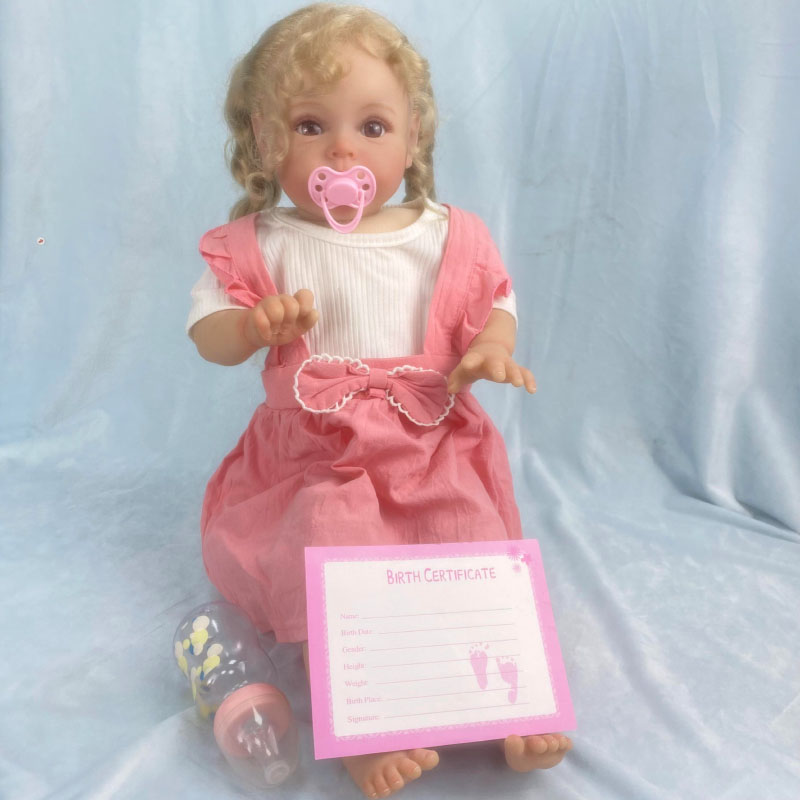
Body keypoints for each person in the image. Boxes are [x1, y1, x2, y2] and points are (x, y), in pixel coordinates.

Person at [187, 4, 571, 797]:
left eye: (371, 126)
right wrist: (251, 326)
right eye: (310, 126)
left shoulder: (442, 233)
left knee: (471, 534)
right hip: (319, 457)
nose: (342, 151)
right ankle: (363, 721)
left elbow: (494, 300)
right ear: (264, 139)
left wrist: (490, 347)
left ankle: (509, 704)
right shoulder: (264, 243)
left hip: (432, 445)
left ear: (413, 134)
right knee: (331, 542)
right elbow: (207, 333)